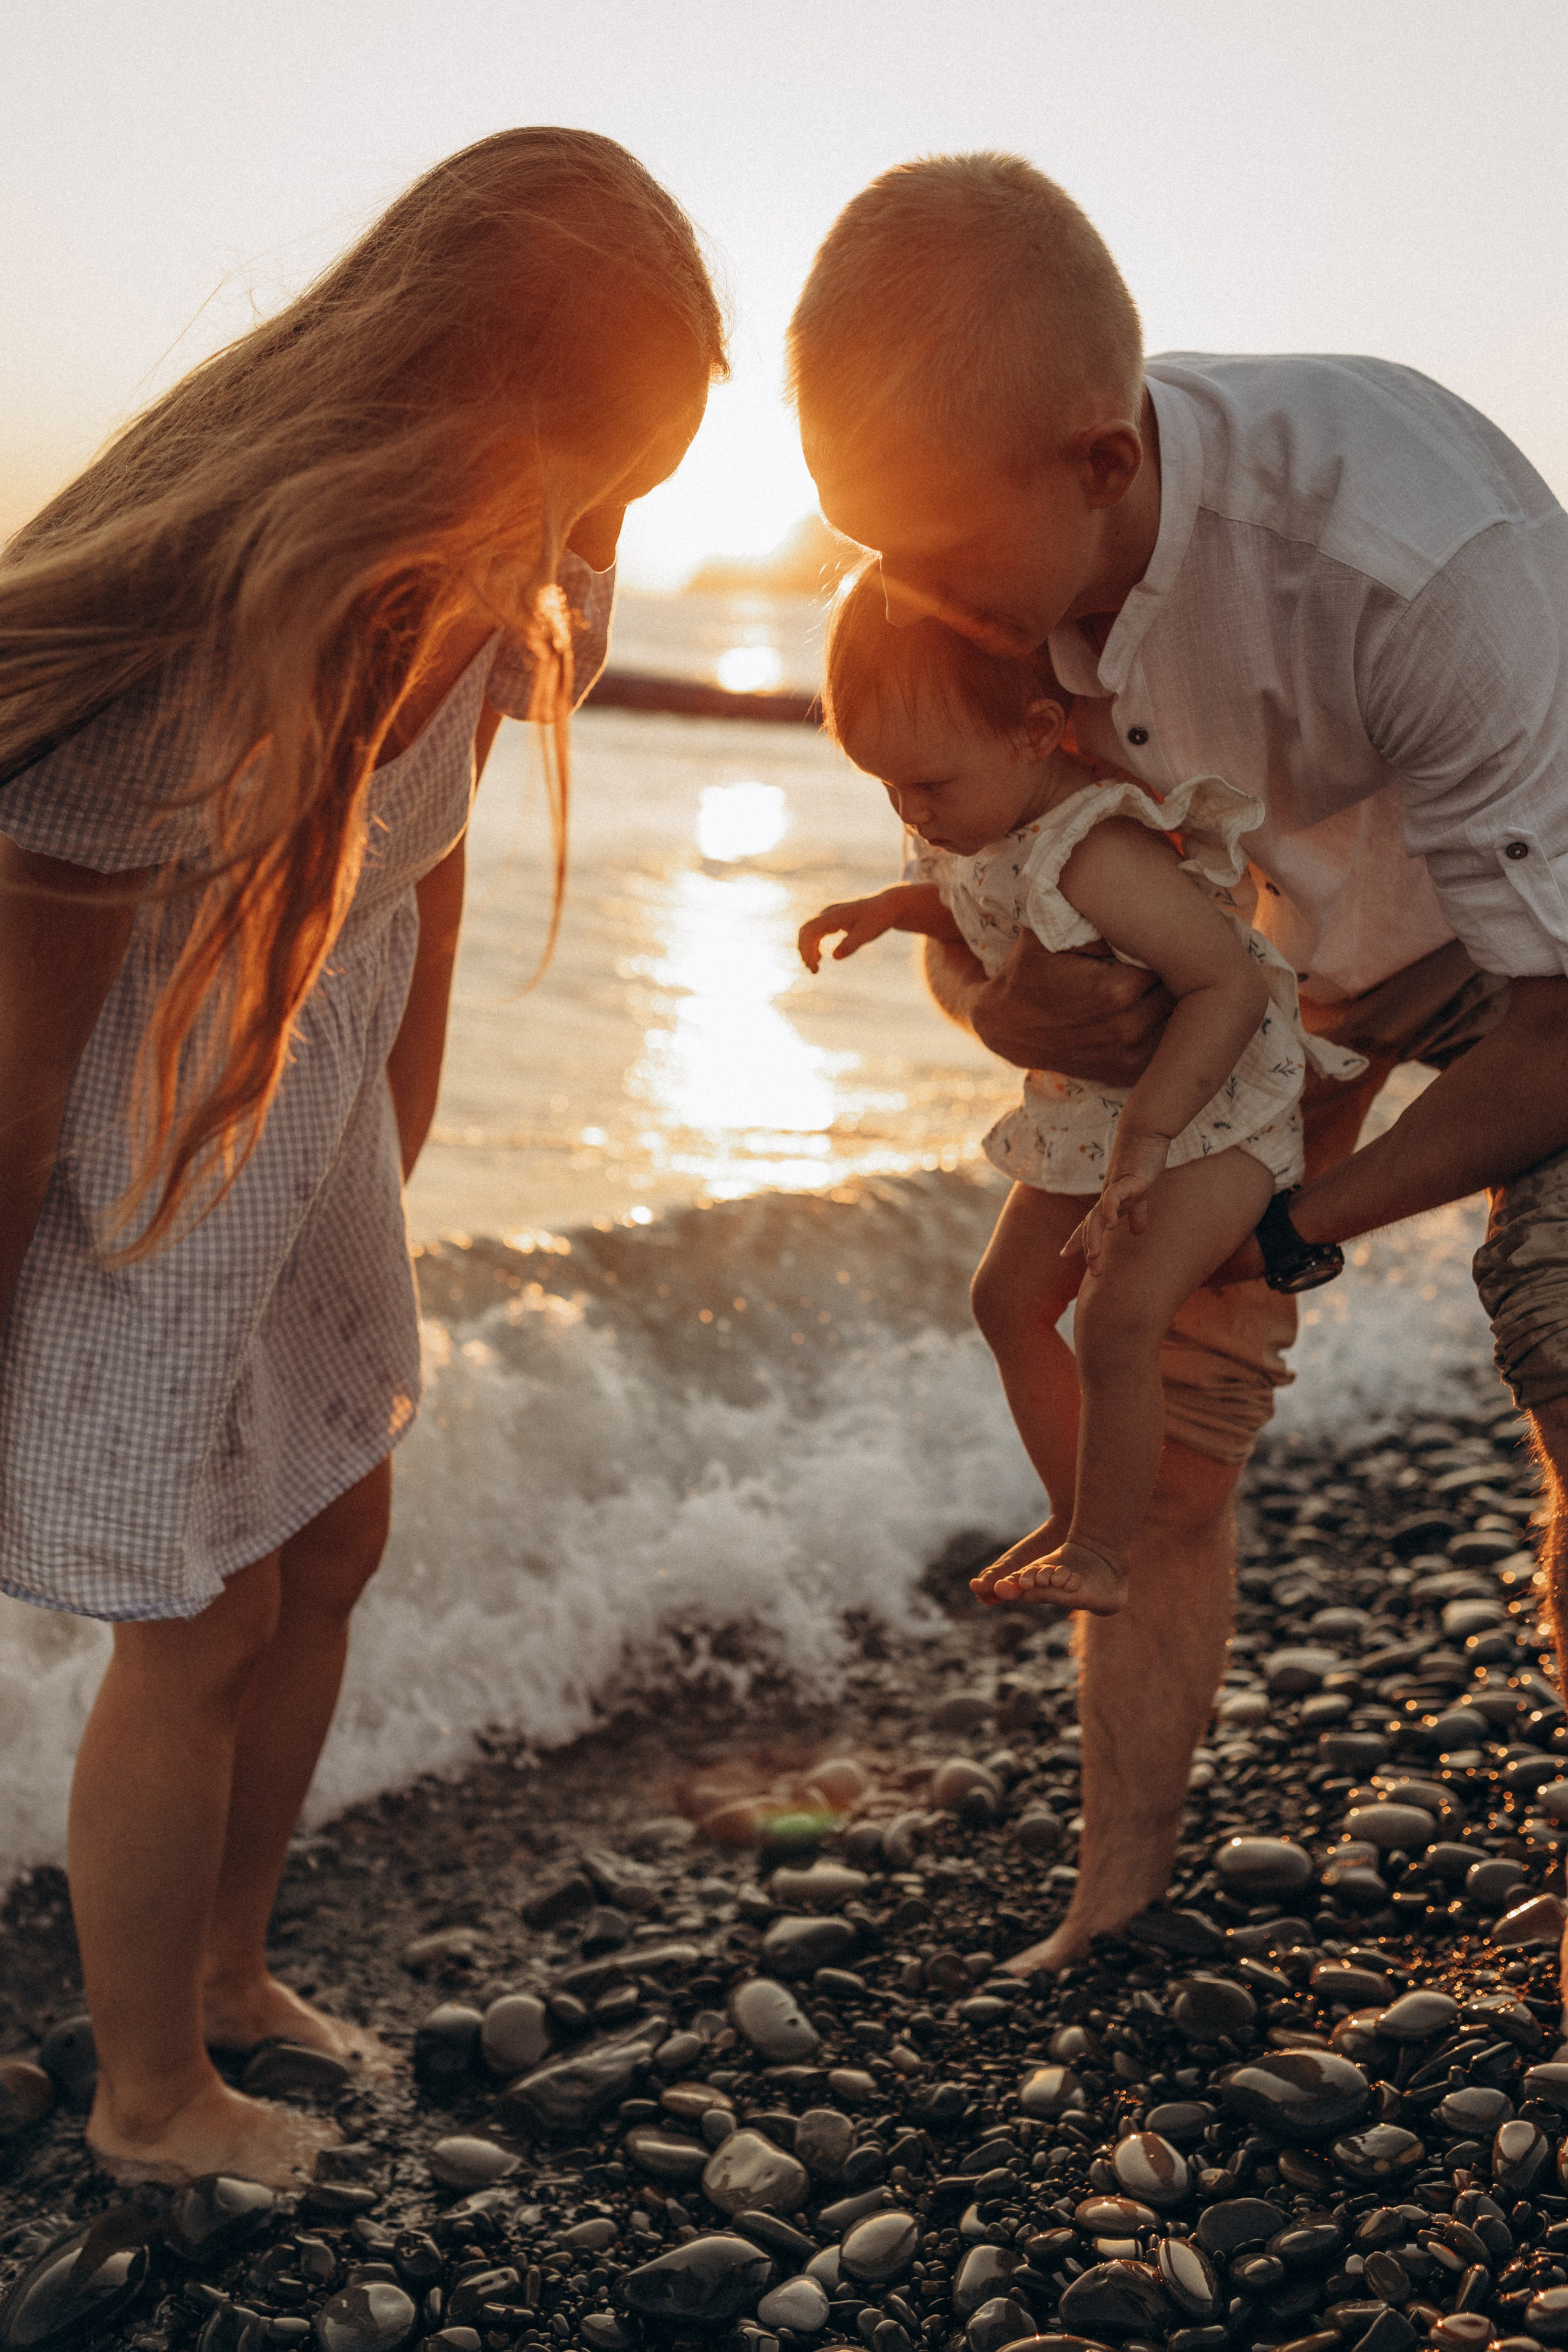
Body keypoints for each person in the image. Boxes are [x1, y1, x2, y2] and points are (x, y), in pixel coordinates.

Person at [0, 127, 726, 2185]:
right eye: (591, 479)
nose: (597, 542)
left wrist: (395, 1132)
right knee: (199, 1623)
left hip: (308, 1138)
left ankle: (231, 1970)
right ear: (463, 409)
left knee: (336, 1542)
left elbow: (431, 867)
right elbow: (19, 1049)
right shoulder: (178, 651)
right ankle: (146, 2100)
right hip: (143, 1160)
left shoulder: (496, 592)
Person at [786, 151, 1568, 1980]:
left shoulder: (1416, 558)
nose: (906, 596)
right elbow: (982, 897)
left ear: (1107, 464)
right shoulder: (956, 573)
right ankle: (1117, 1898)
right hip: (1254, 997)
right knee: (1149, 1409)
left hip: (1519, 964)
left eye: (937, 555)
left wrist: (1299, 1224)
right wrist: (997, 1014)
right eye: (864, 546)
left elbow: (1559, 1036)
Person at [799, 564, 1365, 1613]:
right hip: (1103, 1115)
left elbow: (1230, 984)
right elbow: (973, 896)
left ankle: (1107, 1552)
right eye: (886, 789)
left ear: (1038, 731)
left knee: (1116, 1319)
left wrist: (1146, 1145)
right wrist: (889, 907)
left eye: (927, 786)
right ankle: (1072, 1508)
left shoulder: (1098, 853)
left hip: (1209, 1116)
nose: (912, 812)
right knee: (1006, 1301)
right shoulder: (981, 815)